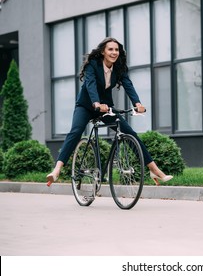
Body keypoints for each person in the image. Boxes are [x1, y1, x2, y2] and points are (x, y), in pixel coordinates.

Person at [46, 37, 173, 186]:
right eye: (110, 49)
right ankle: (57, 170)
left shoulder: (119, 67)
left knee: (129, 133)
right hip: (86, 106)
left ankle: (154, 169)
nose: (114, 52)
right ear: (103, 52)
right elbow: (90, 84)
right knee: (76, 131)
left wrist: (137, 103)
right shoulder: (92, 65)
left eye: (116, 49)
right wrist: (96, 103)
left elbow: (128, 84)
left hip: (106, 107)